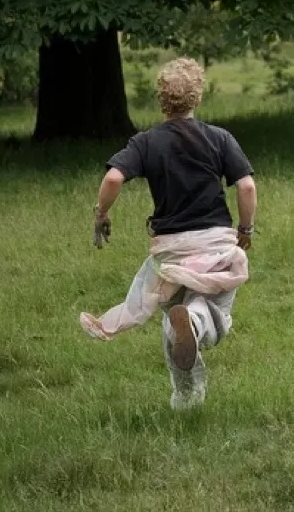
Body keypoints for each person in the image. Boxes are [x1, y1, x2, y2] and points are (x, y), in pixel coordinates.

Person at [80, 58, 256, 410]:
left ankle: (186, 396)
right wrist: (245, 228)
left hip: (171, 250)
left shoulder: (146, 142)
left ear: (162, 100)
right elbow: (247, 186)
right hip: (217, 245)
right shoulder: (219, 138)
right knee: (215, 314)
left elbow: (114, 178)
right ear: (197, 97)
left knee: (172, 321)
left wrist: (101, 213)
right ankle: (194, 321)